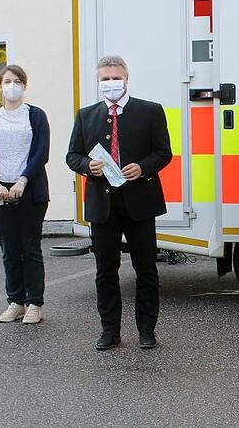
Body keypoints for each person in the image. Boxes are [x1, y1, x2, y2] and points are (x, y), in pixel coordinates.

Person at [66, 55, 172, 351]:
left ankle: (147, 330)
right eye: (104, 78)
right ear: (97, 81)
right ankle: (109, 331)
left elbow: (164, 152)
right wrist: (88, 166)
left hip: (140, 203)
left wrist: (143, 167)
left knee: (146, 270)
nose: (110, 83)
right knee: (105, 272)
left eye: (115, 77)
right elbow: (72, 155)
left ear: (127, 78)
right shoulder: (86, 116)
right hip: (103, 205)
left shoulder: (150, 111)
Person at [0, 65, 51, 325]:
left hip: (29, 190)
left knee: (30, 247)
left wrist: (23, 180)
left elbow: (41, 152)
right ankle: (15, 301)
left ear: (25, 85)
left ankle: (34, 303)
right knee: (9, 248)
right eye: (7, 81)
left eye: (17, 81)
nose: (12, 85)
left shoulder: (35, 115)